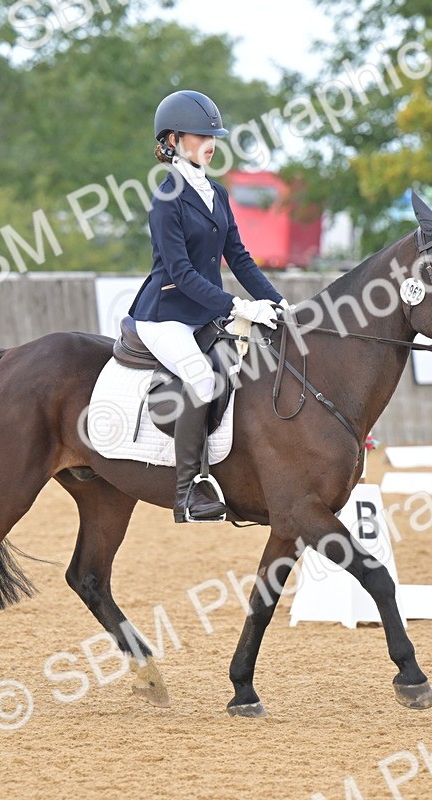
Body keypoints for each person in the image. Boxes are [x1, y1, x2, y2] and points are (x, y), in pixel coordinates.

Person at [127, 89, 287, 523]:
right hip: (165, 315)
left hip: (205, 314)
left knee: (244, 371)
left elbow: (239, 257)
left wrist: (276, 302)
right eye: (201, 135)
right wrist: (239, 306)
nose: (211, 143)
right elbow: (181, 273)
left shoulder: (215, 192)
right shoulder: (166, 199)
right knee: (200, 378)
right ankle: (189, 492)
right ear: (173, 141)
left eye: (213, 135)